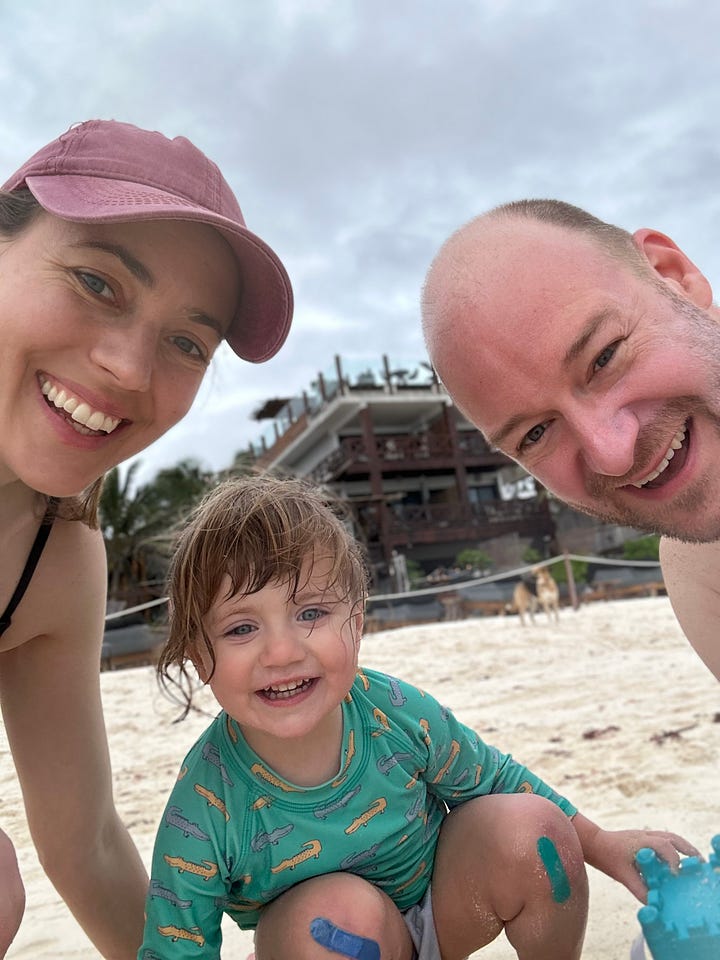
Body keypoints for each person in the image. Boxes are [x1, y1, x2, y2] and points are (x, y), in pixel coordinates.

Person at [139, 474, 694, 960]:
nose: (281, 653)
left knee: (535, 828)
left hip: (443, 908)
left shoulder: (393, 712)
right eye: (241, 628)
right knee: (333, 921)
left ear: (356, 624)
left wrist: (601, 843)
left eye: (311, 612)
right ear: (195, 652)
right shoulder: (205, 802)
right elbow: (177, 944)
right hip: (327, 944)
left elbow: (495, 778)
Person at [0, 118, 293, 959]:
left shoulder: (52, 557)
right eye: (97, 282)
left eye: (186, 342)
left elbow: (84, 846)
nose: (130, 369)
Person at [421, 198, 720, 682]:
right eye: (535, 434)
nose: (613, 453)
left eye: (604, 358)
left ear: (674, 274)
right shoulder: (698, 566)